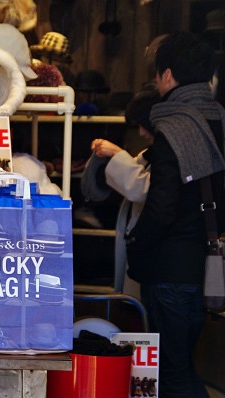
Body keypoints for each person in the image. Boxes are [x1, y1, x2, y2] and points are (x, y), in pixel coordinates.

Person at [126, 31, 225, 398]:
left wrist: (136, 243)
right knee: (183, 362)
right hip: (206, 266)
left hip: (170, 269)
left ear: (167, 75)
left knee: (173, 372)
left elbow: (162, 207)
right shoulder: (218, 119)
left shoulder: (173, 126)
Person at [82, 89, 161, 298]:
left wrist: (116, 153)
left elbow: (140, 188)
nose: (142, 133)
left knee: (142, 305)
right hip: (144, 244)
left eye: (143, 126)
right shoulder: (152, 153)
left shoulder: (168, 154)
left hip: (155, 249)